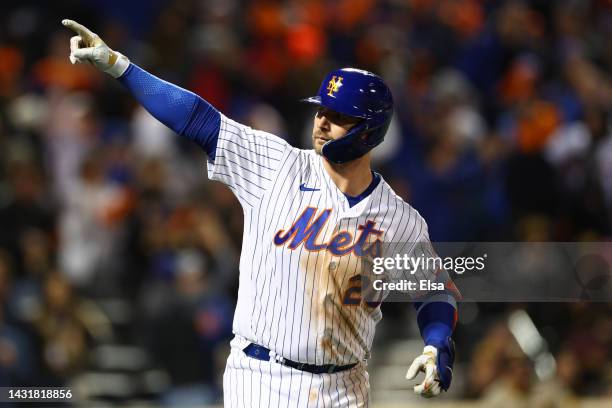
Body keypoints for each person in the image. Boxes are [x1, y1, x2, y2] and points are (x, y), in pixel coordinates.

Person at [62, 19, 459, 406]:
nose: (321, 122)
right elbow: (197, 118)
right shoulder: (275, 166)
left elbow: (434, 291)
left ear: (370, 131)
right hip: (261, 378)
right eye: (321, 111)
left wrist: (436, 342)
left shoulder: (399, 219)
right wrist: (119, 66)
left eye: (337, 117)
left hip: (346, 387)